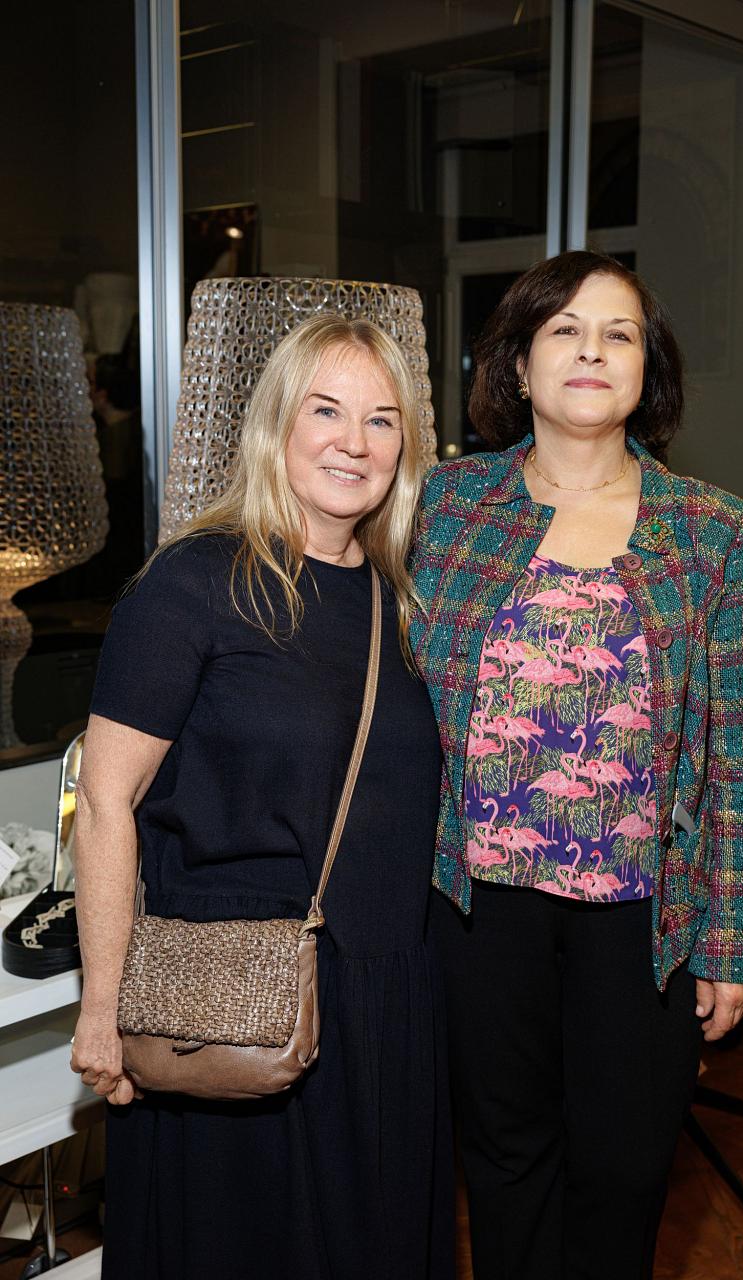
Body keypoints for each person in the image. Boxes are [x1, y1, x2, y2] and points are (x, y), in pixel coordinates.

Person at [70, 315, 454, 1280]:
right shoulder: (194, 583)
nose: (353, 442)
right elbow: (106, 801)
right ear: (275, 423)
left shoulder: (402, 600)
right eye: (326, 411)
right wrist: (102, 1006)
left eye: (381, 419)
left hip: (383, 1001)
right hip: (230, 995)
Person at [410, 250, 743, 1280]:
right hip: (477, 906)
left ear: (647, 370)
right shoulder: (443, 503)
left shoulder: (713, 530)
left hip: (642, 917)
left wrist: (732, 942)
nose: (591, 350)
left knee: (623, 1169)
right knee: (503, 1160)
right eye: (563, 329)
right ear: (517, 363)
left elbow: (738, 757)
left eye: (618, 334)